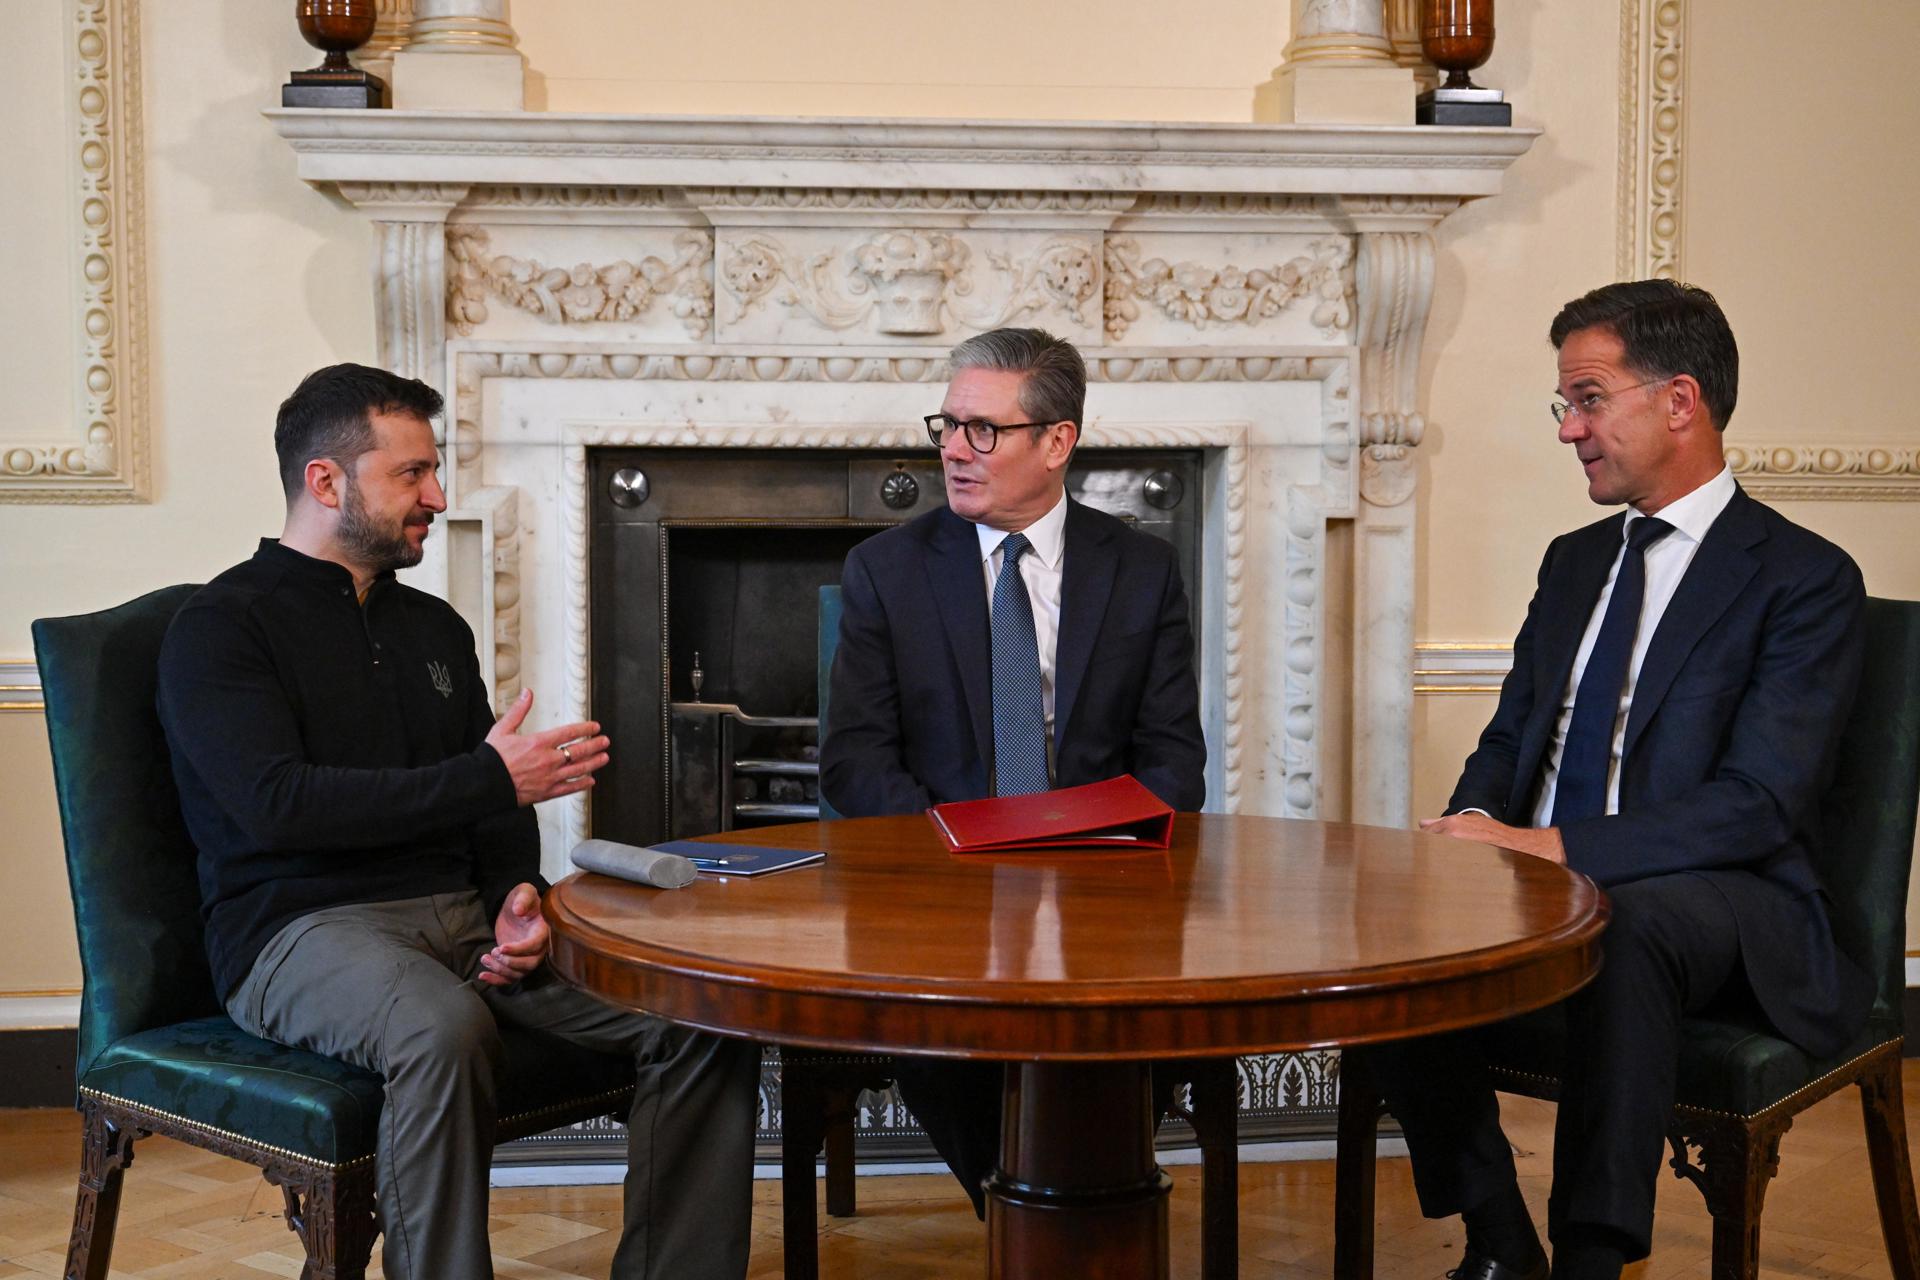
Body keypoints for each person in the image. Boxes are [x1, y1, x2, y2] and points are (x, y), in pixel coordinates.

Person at [157, 364, 759, 1280]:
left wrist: (518, 896)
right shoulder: (221, 628)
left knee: (700, 1014)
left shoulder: (435, 630)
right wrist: (486, 778)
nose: (437, 496)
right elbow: (276, 807)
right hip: (299, 932)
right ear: (326, 481)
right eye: (412, 475)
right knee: (441, 1028)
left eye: (434, 472)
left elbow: (492, 813)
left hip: (462, 917)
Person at [1356, 280, 1873, 1280]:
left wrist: (1549, 849)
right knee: (1386, 906)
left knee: (1625, 920)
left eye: (1588, 399)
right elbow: (1511, 741)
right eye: (1566, 405)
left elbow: (1757, 803)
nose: (1570, 430)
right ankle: (1501, 1232)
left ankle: (1594, 1254)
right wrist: (1473, 821)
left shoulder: (1803, 578)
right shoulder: (1574, 561)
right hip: (1546, 878)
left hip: (1729, 896)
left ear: (1680, 400)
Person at [819, 326, 1207, 1215]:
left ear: (1057, 442)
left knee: (1152, 1013)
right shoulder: (886, 571)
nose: (954, 449)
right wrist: (953, 856)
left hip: (1103, 886)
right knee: (928, 1020)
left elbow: (1173, 758)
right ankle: (1042, 1222)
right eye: (947, 425)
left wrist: (1099, 858)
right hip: (940, 888)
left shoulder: (1142, 570)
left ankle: (1055, 1215)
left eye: (982, 430)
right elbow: (855, 757)